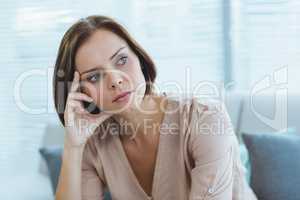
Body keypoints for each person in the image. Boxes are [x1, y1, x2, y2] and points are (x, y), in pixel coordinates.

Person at [53, 15, 257, 200]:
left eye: (122, 60)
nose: (115, 80)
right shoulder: (93, 143)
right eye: (94, 77)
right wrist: (73, 146)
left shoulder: (205, 118)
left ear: (140, 60)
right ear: (81, 92)